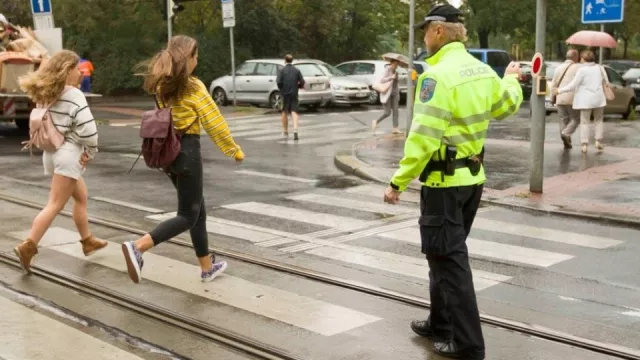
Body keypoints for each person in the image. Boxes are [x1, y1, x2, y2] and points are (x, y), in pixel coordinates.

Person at [383, 4, 522, 359]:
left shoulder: (437, 76)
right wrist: (511, 78)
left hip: (443, 185)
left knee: (449, 263)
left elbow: (424, 138)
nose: (424, 38)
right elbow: (507, 105)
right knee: (441, 256)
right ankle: (439, 323)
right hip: (472, 181)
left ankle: (468, 345)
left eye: (425, 31)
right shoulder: (483, 71)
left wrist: (398, 182)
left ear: (439, 31)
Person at [122, 35, 245, 284]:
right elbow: (214, 122)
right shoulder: (193, 86)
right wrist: (233, 149)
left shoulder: (162, 85)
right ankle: (138, 246)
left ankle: (206, 267)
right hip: (187, 150)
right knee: (188, 214)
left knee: (198, 211)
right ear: (188, 56)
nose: (197, 60)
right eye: (196, 55)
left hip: (169, 152)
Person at [14, 50, 105, 273]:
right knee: (55, 204)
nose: (80, 72)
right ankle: (29, 245)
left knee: (81, 197)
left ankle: (87, 241)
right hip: (69, 155)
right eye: (76, 68)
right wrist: (90, 152)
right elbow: (89, 131)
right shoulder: (74, 95)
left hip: (52, 154)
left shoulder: (46, 92)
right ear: (67, 71)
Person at [554, 50, 607, 153]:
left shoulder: (582, 70)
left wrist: (559, 90)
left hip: (586, 100)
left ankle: (584, 145)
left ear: (583, 59)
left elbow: (573, 85)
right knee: (598, 120)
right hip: (599, 99)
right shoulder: (600, 68)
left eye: (581, 58)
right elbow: (606, 82)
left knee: (584, 122)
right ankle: (598, 141)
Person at [550, 49, 581, 149]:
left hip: (559, 97)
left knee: (563, 119)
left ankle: (565, 139)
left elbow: (554, 84)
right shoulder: (578, 68)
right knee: (576, 119)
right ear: (575, 56)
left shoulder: (558, 68)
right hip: (572, 98)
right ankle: (566, 134)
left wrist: (552, 98)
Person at [276, 54, 305, 141]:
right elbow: (302, 82)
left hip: (285, 93)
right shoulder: (297, 70)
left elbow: (278, 82)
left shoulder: (282, 70)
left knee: (284, 111)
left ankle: (285, 131)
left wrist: (281, 89)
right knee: (294, 111)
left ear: (285, 60)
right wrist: (298, 86)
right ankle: (295, 130)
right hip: (294, 93)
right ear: (292, 60)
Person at [372, 59, 401, 134]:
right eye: (395, 64)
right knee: (387, 113)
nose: (396, 66)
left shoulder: (396, 72)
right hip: (387, 94)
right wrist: (391, 77)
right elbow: (382, 80)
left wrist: (396, 78)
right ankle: (376, 121)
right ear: (391, 63)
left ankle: (395, 128)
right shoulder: (386, 70)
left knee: (396, 111)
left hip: (394, 94)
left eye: (397, 64)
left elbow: (396, 83)